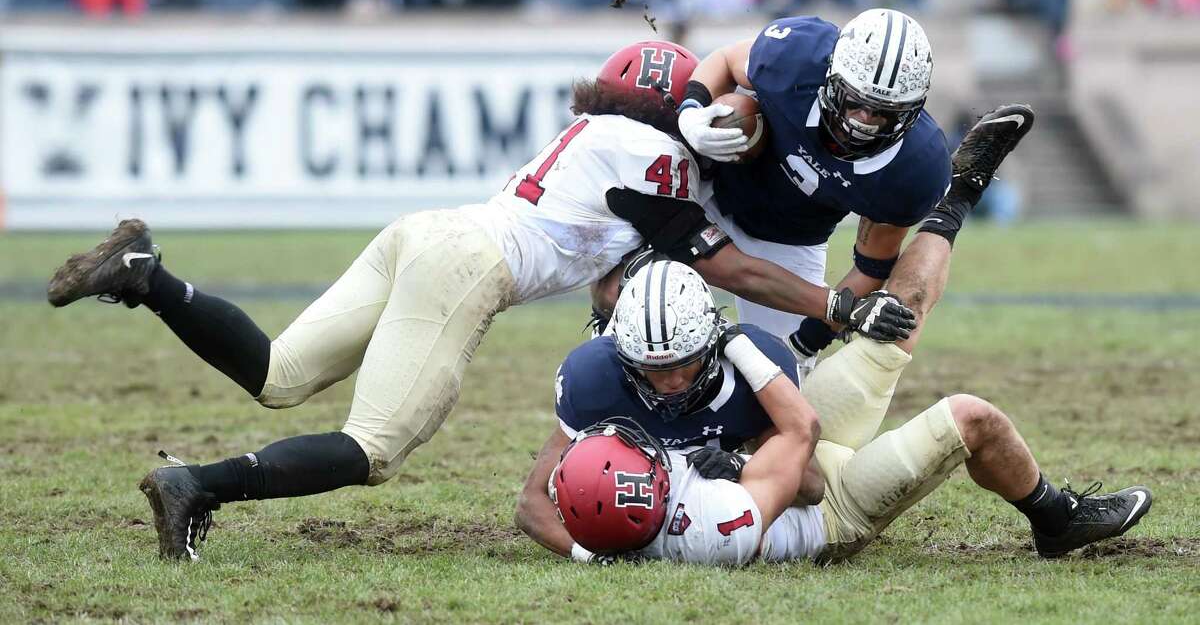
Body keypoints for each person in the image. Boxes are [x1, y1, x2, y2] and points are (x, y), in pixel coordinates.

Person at [45, 40, 911, 562]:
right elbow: (723, 265)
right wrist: (834, 303)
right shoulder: (660, 162)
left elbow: (619, 280)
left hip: (430, 232)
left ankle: (147, 273)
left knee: (277, 372)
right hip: (466, 268)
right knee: (374, 447)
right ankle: (198, 485)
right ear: (670, 106)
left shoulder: (590, 135)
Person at [517, 112, 1154, 564]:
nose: (670, 382)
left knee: (893, 326)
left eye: (681, 364)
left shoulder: (667, 367)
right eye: (651, 371)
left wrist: (591, 552)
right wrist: (733, 466)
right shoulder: (632, 381)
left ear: (708, 340)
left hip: (784, 444)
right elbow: (812, 482)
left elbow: (535, 505)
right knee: (971, 417)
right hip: (818, 505)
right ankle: (1056, 518)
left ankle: (951, 197)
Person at [676, 8, 956, 372]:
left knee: (778, 377)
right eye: (854, 101)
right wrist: (691, 110)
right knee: (644, 309)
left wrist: (808, 340)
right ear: (830, 77)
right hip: (708, 186)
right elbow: (726, 59)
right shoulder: (796, 58)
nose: (862, 121)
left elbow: (872, 264)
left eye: (882, 112)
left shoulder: (914, 167)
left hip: (788, 239)